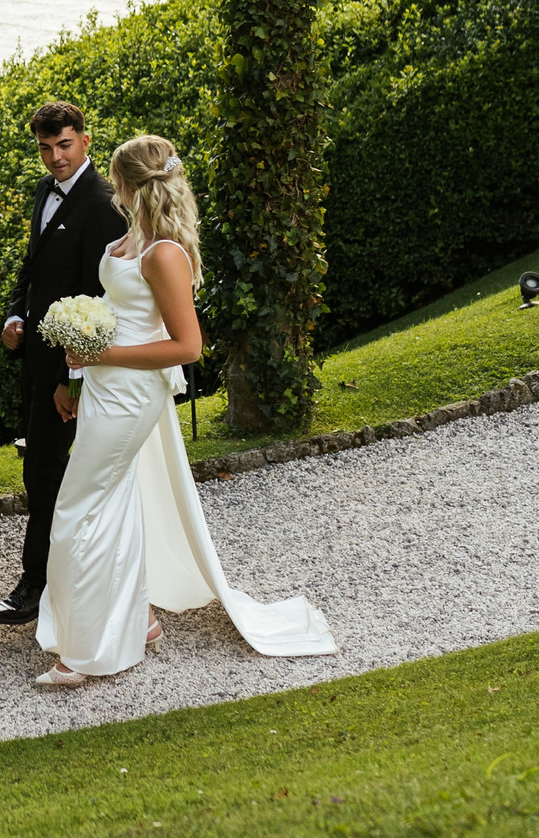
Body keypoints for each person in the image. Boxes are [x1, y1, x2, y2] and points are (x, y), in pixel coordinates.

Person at [34, 134, 336, 686]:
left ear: (126, 184)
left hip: (132, 393)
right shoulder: (130, 238)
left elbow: (189, 347)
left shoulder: (165, 253)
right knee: (114, 504)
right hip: (104, 385)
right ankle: (140, 617)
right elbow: (117, 308)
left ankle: (86, 651)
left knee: (78, 510)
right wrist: (84, 349)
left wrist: (104, 352)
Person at [0, 101, 128, 627]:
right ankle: (74, 580)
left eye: (64, 145)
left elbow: (98, 300)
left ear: (85, 140)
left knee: (45, 473)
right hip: (36, 361)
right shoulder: (45, 190)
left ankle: (35, 588)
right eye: (45, 148)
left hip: (70, 372)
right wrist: (14, 314)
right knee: (45, 472)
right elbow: (33, 267)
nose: (55, 158)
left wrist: (74, 380)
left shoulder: (104, 204)